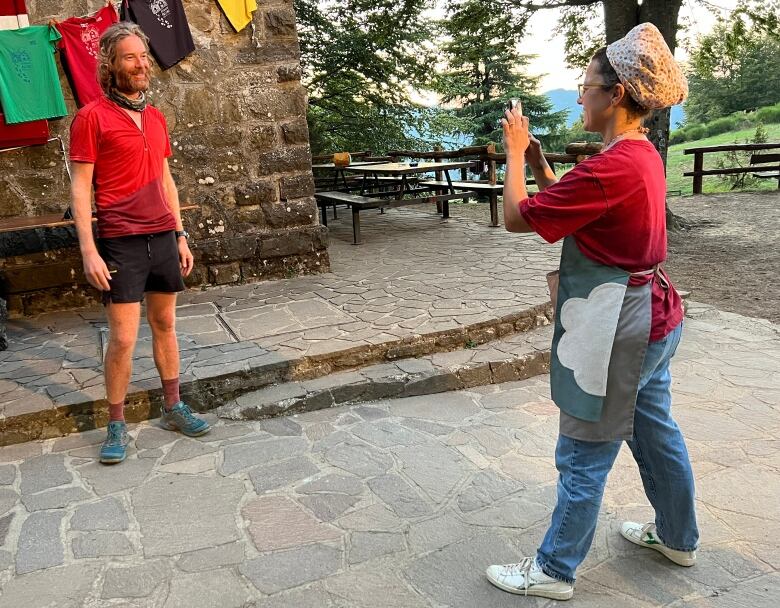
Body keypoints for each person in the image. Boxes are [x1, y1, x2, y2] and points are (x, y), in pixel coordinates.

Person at [485, 23, 698, 601]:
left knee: (584, 447)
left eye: (586, 87)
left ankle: (554, 570)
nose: (580, 96)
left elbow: (516, 218)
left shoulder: (612, 165)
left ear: (617, 95)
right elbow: (570, 203)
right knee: (655, 434)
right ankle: (677, 537)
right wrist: (534, 159)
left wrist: (508, 155)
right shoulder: (637, 155)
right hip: (654, 315)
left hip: (619, 327)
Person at [70, 22, 210, 465]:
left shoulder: (155, 116)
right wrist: (90, 250)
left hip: (162, 236)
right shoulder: (90, 117)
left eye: (143, 56)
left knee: (165, 325)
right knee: (124, 339)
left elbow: (166, 178)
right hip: (121, 241)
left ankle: (173, 406)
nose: (140, 64)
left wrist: (180, 234)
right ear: (111, 65)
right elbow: (80, 190)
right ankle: (116, 424)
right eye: (130, 57)